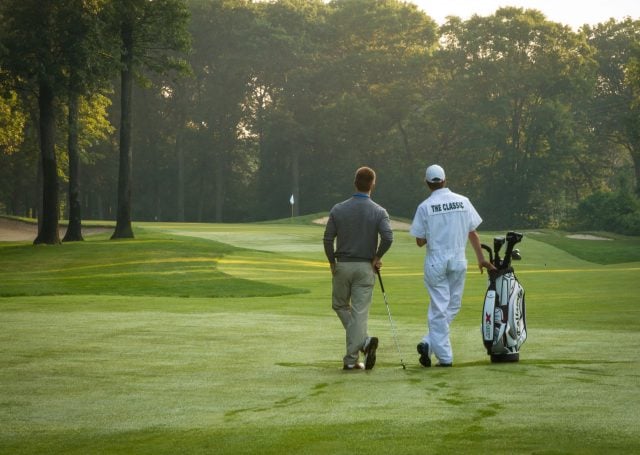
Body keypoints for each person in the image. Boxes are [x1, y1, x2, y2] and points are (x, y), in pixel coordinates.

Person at [410, 164, 494, 367]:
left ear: (427, 183)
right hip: (458, 261)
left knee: (440, 309)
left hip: (436, 262)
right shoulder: (463, 202)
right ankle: (438, 351)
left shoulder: (424, 207)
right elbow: (472, 231)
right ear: (445, 180)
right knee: (452, 306)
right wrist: (481, 258)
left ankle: (434, 348)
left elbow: (420, 241)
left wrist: (435, 234)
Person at [323, 166, 393, 371]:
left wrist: (331, 262)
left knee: (340, 305)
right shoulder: (379, 211)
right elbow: (388, 237)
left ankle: (355, 355)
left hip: (342, 265)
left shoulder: (338, 209)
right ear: (373, 184)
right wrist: (377, 257)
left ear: (355, 182)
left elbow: (328, 239)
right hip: (365, 267)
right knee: (359, 313)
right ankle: (361, 346)